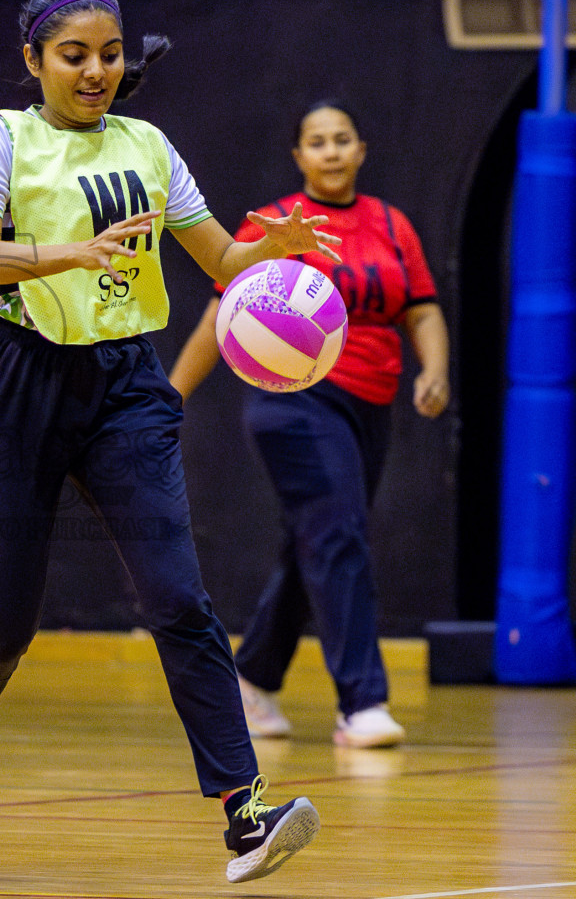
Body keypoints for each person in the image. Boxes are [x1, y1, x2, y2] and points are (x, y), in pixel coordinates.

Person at [0, 0, 334, 885]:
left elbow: (220, 258)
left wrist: (276, 251)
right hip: (16, 380)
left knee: (180, 600)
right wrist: (68, 251)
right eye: (75, 55)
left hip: (124, 385)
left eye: (110, 53)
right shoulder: (0, 140)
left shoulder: (147, 145)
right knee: (2, 625)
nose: (97, 69)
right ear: (34, 62)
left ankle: (243, 813)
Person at [169, 100, 450, 749]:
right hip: (293, 401)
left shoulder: (390, 224)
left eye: (341, 140)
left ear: (360, 150)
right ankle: (362, 704)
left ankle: (253, 676)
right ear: (298, 157)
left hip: (369, 400)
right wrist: (172, 394)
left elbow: (423, 309)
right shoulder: (273, 225)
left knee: (321, 539)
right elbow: (223, 317)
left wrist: (434, 369)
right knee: (339, 534)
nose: (329, 151)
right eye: (316, 142)